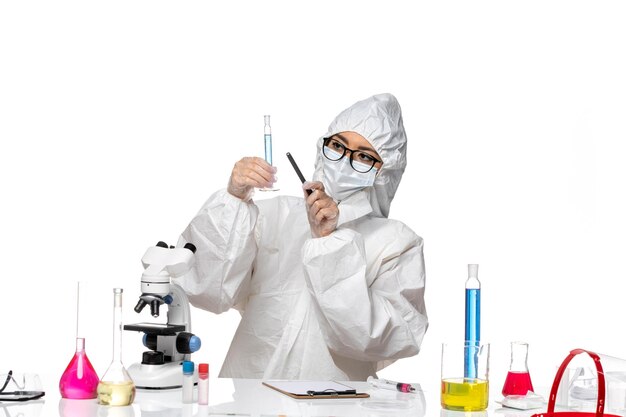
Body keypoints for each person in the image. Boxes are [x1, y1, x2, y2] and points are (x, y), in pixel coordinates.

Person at [175, 93, 428, 380]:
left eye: (364, 156)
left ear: (385, 171)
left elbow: (377, 339)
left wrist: (328, 242)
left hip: (335, 403)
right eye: (337, 145)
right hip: (250, 393)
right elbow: (207, 291)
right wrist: (234, 199)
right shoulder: (276, 215)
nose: (344, 161)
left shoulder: (396, 242)